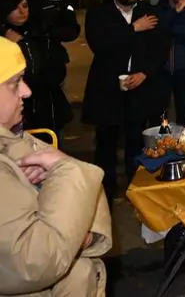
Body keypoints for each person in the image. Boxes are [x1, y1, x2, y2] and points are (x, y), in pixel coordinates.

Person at [0, 36, 113, 296]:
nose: (26, 91)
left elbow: (91, 201)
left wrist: (78, 237)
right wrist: (68, 170)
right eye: (14, 82)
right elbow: (34, 262)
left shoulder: (16, 141)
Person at [82, 0, 167, 203]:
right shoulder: (99, 14)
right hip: (108, 88)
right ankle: (105, 191)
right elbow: (101, 45)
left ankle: (135, 187)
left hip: (140, 86)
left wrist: (145, 73)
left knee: (136, 140)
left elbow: (160, 48)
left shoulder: (148, 12)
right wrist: (132, 30)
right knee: (107, 141)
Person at [4, 0, 80, 138]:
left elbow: (72, 30)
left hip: (52, 65)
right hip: (20, 67)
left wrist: (50, 33)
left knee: (53, 115)